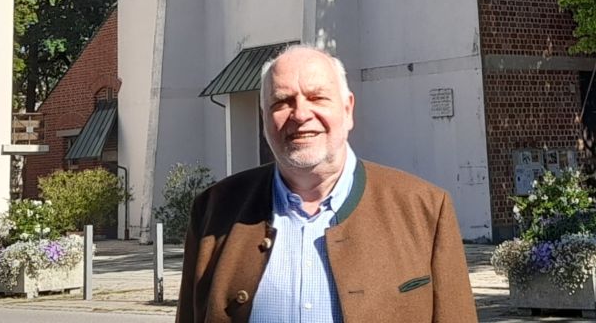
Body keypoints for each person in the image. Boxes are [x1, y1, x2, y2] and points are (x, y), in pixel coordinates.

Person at [176, 45, 477, 322]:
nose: (300, 114)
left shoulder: (424, 209)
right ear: (264, 117)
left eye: (317, 97)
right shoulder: (216, 210)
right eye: (282, 101)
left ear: (347, 109)